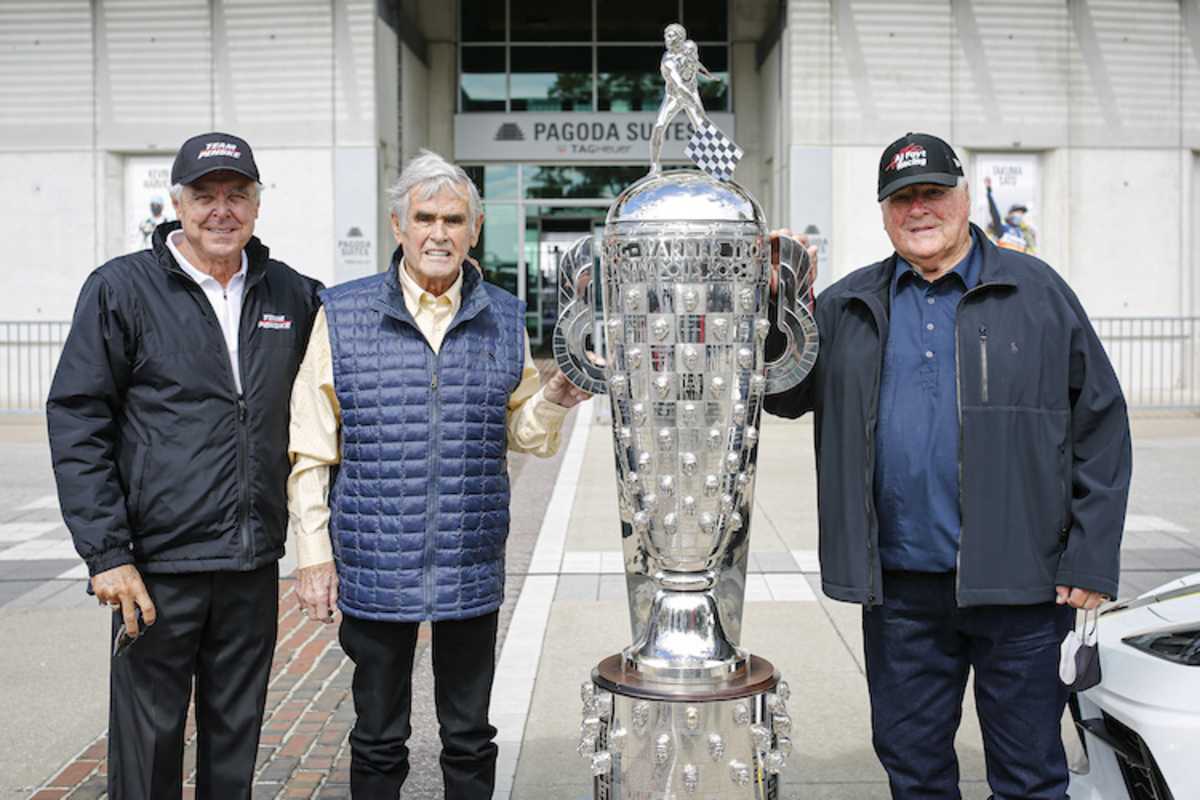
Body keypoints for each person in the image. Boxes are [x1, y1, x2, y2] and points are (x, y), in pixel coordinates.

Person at [765, 132, 1131, 800]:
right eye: (902, 197)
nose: (919, 209)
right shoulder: (846, 306)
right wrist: (778, 301)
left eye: (933, 192)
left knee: (1029, 777)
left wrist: (1091, 559)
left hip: (1022, 591)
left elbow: (1101, 427)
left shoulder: (1037, 293)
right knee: (915, 772)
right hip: (901, 594)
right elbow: (781, 392)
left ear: (963, 198)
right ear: (883, 212)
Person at [287, 149, 589, 799]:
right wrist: (314, 558)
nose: (438, 233)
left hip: (467, 557)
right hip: (374, 561)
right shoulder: (342, 314)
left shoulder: (504, 318)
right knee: (377, 735)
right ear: (398, 226)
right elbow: (312, 449)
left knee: (470, 737)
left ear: (474, 229)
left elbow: (521, 431)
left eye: (454, 219)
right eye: (424, 217)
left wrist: (556, 397)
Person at [46, 132, 323, 799]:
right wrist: (107, 553)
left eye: (237, 194)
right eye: (205, 195)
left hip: (251, 561)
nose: (221, 210)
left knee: (236, 739)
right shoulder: (121, 289)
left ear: (258, 205)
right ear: (177, 203)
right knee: (147, 744)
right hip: (155, 568)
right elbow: (78, 419)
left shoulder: (294, 293)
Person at [984, 175, 1038, 253]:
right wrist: (989, 191)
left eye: (1021, 214)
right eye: (1017, 212)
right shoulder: (1003, 228)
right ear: (1010, 214)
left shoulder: (1023, 233)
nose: (1019, 215)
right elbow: (994, 212)